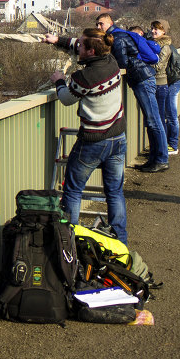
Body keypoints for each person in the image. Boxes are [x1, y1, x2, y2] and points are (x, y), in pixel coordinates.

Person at [46, 13, 166, 172]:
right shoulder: (111, 38)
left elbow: (120, 62)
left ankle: (161, 159)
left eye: (100, 24)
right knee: (151, 120)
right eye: (96, 24)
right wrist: (57, 40)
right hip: (140, 79)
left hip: (143, 79)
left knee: (153, 120)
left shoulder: (117, 38)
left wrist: (103, 64)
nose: (98, 27)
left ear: (110, 23)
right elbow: (85, 44)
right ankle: (154, 159)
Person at [48, 28, 129, 242]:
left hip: (93, 141)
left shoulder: (83, 77)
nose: (78, 47)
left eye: (82, 46)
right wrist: (59, 40)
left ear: (91, 51)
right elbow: (82, 44)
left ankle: (69, 242)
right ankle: (120, 241)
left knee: (73, 191)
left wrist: (58, 80)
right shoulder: (111, 60)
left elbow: (66, 98)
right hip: (118, 137)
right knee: (115, 192)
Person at [149, 19, 180, 157]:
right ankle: (162, 145)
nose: (153, 31)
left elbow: (158, 66)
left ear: (164, 31)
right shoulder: (152, 43)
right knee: (161, 116)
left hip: (164, 83)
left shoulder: (165, 46)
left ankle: (170, 146)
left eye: (157, 29)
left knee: (167, 116)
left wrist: (142, 62)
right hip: (158, 83)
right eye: (152, 28)